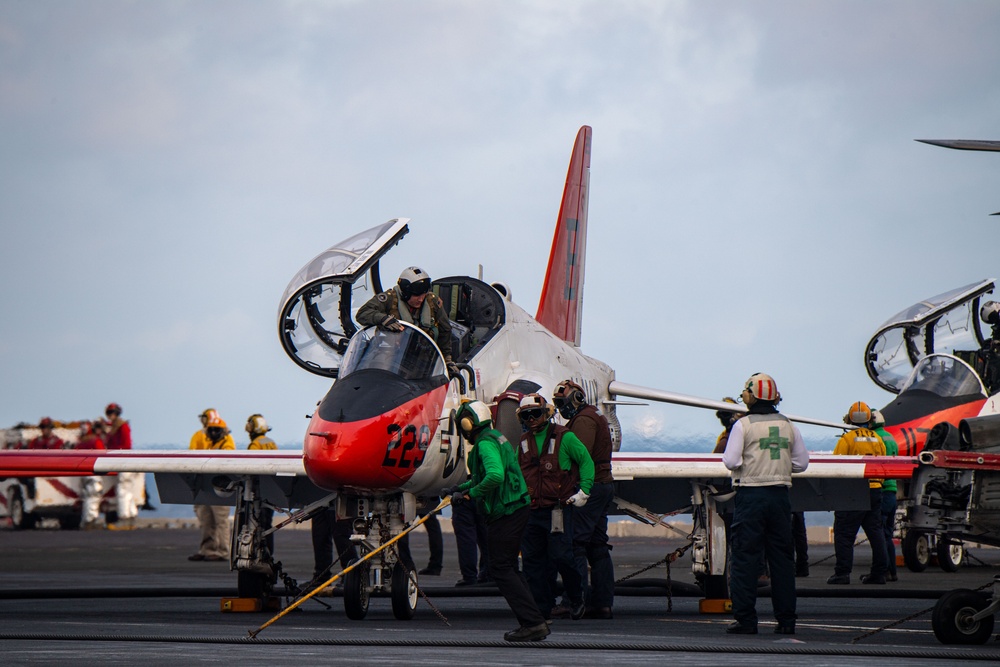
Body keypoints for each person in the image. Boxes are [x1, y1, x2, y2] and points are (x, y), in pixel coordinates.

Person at [443, 400, 548, 642]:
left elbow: (495, 476)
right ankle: (535, 618)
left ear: (468, 424)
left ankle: (533, 623)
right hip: (517, 508)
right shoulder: (495, 437)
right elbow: (485, 474)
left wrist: (471, 494)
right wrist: (459, 488)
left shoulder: (483, 445)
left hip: (507, 511)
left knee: (500, 568)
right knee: (509, 567)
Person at [722, 373, 809, 635]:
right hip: (780, 497)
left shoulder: (743, 425)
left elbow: (730, 461)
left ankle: (746, 620)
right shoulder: (789, 425)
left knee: (746, 559)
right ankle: (786, 621)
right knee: (782, 561)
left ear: (751, 395)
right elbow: (802, 464)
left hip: (750, 496)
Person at [515, 393, 594, 622]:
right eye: (526, 415)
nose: (531, 419)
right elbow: (517, 474)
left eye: (535, 413)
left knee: (562, 557)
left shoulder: (564, 437)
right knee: (532, 562)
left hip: (557, 510)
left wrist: (585, 491)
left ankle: (576, 597)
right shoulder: (522, 442)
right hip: (531, 511)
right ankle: (542, 610)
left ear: (546, 413)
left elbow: (586, 461)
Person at [552, 379, 615, 620]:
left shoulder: (584, 421)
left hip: (590, 487)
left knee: (575, 544)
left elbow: (580, 455)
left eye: (562, 402)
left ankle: (573, 601)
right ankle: (601, 603)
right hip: (603, 484)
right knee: (597, 546)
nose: (561, 407)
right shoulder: (591, 415)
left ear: (576, 399)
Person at [827, 401, 889, 586]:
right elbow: (884, 463)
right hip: (875, 490)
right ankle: (879, 573)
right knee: (876, 533)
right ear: (870, 419)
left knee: (844, 534)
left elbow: (836, 467)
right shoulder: (878, 439)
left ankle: (842, 573)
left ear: (849, 419)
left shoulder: (847, 439)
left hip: (852, 492)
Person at [355, 266, 457, 375]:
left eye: (423, 294)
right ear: (406, 292)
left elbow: (445, 330)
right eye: (416, 295)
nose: (421, 299)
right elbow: (362, 314)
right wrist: (383, 319)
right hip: (391, 359)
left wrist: (447, 359)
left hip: (422, 360)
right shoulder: (389, 299)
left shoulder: (432, 301)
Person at [188, 411, 235, 562]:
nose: (214, 432)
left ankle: (223, 551)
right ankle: (207, 549)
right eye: (211, 429)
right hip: (204, 486)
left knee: (221, 520)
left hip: (220, 488)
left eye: (217, 429)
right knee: (205, 519)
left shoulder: (227, 443)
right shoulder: (201, 439)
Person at [871, 409, 899, 582]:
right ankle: (892, 571)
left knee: (879, 535)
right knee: (887, 535)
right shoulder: (891, 437)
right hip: (893, 490)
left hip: (881, 490)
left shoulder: (875, 438)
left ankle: (883, 570)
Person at [104, 403, 142, 529]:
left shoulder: (122, 427)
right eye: (109, 413)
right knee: (127, 490)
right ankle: (131, 517)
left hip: (123, 461)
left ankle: (124, 518)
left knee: (122, 490)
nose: (110, 415)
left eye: (112, 413)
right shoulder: (115, 428)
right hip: (122, 461)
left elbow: (126, 445)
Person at [246, 414, 277, 553]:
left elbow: (250, 467)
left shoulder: (255, 444)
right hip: (271, 490)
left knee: (258, 524)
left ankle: (260, 552)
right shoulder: (271, 442)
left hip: (259, 490)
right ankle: (269, 551)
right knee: (268, 525)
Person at [310, 508, 358, 586]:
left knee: (341, 534)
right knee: (320, 534)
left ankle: (351, 576)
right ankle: (321, 576)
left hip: (339, 499)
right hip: (319, 499)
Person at [77, 420, 107, 530]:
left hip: (84, 473)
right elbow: (103, 454)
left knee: (87, 497)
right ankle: (90, 520)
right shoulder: (95, 441)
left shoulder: (80, 443)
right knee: (94, 496)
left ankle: (86, 520)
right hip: (94, 471)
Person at [416, 497, 445, 576]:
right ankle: (436, 565)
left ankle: (404, 563)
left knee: (401, 528)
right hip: (428, 494)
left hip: (409, 492)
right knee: (433, 528)